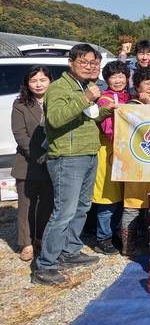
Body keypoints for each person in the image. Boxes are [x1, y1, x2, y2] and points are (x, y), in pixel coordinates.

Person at [33, 44, 114, 286]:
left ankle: (70, 251)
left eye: (94, 63)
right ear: (71, 62)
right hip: (68, 158)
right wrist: (86, 98)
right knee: (64, 211)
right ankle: (45, 265)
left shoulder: (83, 86)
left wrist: (105, 111)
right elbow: (56, 120)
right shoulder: (59, 88)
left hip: (88, 153)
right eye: (84, 62)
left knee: (82, 207)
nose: (90, 67)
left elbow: (86, 119)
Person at [11, 66, 54, 262]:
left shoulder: (56, 102)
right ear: (27, 84)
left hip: (52, 161)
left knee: (47, 203)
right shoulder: (20, 104)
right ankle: (26, 243)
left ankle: (40, 238)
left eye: (43, 80)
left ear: (50, 81)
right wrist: (39, 155)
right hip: (28, 162)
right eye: (34, 80)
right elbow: (20, 134)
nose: (39, 84)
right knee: (26, 205)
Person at [121, 67, 150, 256]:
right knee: (133, 204)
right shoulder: (131, 105)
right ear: (137, 86)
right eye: (147, 83)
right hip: (136, 161)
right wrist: (147, 107)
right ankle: (128, 246)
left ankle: (149, 241)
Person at [92, 61, 128, 255]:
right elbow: (109, 130)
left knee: (121, 197)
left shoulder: (128, 97)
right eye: (114, 76)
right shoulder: (104, 100)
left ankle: (115, 234)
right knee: (108, 198)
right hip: (109, 152)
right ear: (106, 80)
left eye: (122, 76)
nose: (118, 80)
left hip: (125, 153)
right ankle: (103, 238)